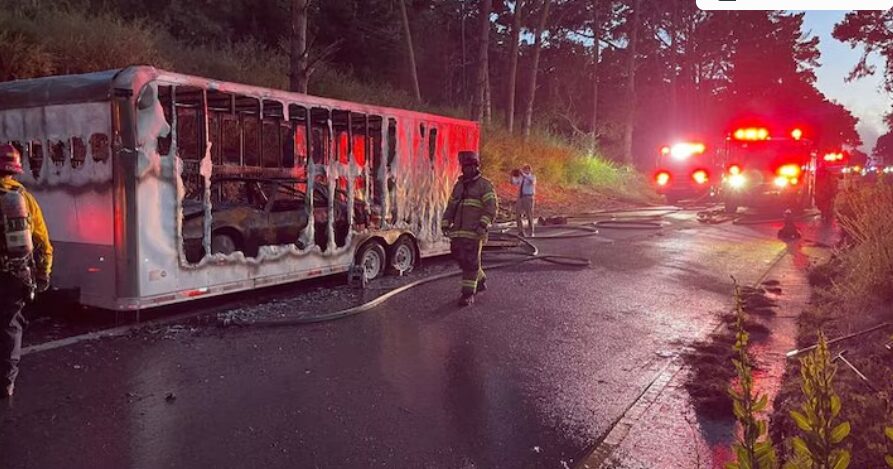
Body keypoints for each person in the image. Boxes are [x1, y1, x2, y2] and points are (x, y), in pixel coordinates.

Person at [0, 144, 53, 399]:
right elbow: (42, 241)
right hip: (15, 276)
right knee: (10, 327)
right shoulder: (24, 199)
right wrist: (43, 275)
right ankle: (6, 383)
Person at [441, 151, 497, 306]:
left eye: (469, 166)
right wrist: (445, 223)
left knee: (470, 262)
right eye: (464, 167)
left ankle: (467, 294)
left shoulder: (484, 185)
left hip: (474, 232)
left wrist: (483, 225)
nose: (465, 170)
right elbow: (451, 206)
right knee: (460, 259)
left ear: (475, 166)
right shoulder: (459, 186)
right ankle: (480, 278)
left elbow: (491, 207)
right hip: (458, 232)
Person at [511, 164, 536, 237]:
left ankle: (531, 232)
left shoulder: (532, 177)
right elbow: (514, 182)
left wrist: (523, 174)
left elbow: (531, 181)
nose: (525, 170)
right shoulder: (521, 178)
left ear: (529, 170)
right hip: (520, 197)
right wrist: (512, 175)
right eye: (524, 169)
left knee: (529, 214)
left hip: (528, 197)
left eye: (526, 169)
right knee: (518, 215)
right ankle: (521, 231)